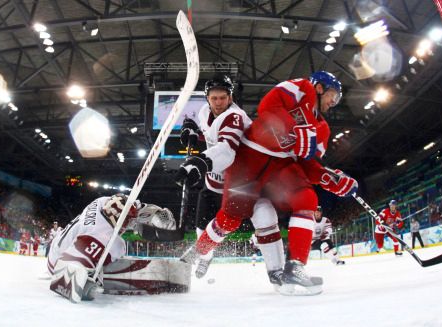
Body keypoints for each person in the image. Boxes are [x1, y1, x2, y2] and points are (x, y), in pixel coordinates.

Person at [181, 71, 357, 295]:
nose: (334, 102)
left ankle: (294, 267)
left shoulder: (322, 130)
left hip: (281, 167)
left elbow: (308, 164)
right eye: (333, 95)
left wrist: (328, 178)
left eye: (338, 99)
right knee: (230, 219)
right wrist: (295, 128)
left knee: (307, 198)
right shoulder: (302, 87)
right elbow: (268, 106)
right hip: (249, 158)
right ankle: (198, 251)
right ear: (320, 87)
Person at [175, 74, 252, 278]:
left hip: (237, 181)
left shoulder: (236, 117)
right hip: (213, 179)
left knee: (229, 221)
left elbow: (226, 148)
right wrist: (192, 131)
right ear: (207, 99)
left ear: (230, 97)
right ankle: (206, 256)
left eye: (223, 98)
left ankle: (202, 250)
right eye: (214, 98)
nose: (218, 103)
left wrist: (200, 161)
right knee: (201, 223)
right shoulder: (203, 112)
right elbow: (210, 135)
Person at [47, 194, 190, 303]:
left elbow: (135, 206)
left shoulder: (103, 201)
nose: (131, 225)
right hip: (56, 261)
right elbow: (63, 279)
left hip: (60, 241)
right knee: (115, 251)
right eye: (128, 223)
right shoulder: (102, 237)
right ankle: (93, 268)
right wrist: (85, 284)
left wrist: (158, 215)